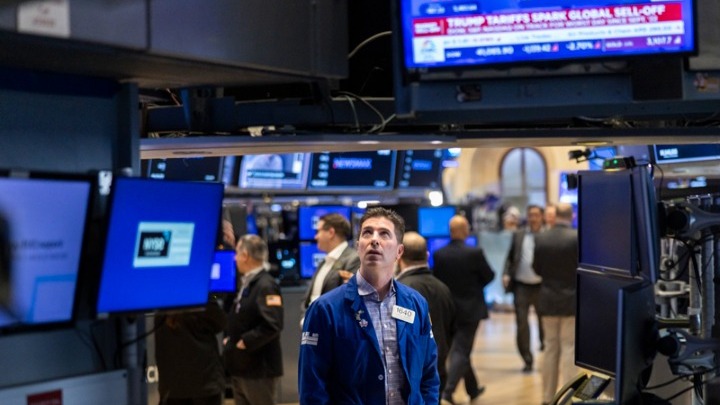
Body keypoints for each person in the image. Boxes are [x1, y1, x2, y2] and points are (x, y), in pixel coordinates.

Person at [299, 207, 439, 404]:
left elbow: (429, 373)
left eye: (384, 234)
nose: (374, 239)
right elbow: (312, 387)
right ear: (358, 247)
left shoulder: (416, 304)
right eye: (367, 232)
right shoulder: (325, 309)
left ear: (399, 251)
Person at [433, 215, 495, 405]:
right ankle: (448, 392)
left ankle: (472, 389)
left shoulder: (439, 254)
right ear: (463, 230)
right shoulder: (474, 252)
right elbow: (489, 276)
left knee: (461, 349)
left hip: (449, 310)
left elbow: (438, 280)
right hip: (471, 309)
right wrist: (475, 287)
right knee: (461, 350)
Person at [224, 235, 284, 405]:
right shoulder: (248, 282)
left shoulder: (266, 285)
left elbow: (273, 324)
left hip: (259, 369)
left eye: (237, 253)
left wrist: (245, 341)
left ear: (245, 256)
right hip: (242, 366)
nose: (234, 258)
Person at [396, 231, 456, 395]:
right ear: (427, 255)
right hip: (438, 371)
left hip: (409, 378)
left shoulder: (399, 290)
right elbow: (451, 329)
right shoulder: (443, 288)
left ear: (398, 255)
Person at [533, 203, 579, 405]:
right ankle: (567, 397)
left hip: (547, 299)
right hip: (571, 299)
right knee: (569, 348)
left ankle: (547, 397)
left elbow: (537, 268)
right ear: (572, 215)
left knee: (550, 348)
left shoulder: (541, 238)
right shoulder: (576, 237)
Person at [154, 299, 227, 405]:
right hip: (203, 383)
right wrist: (213, 298)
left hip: (171, 386)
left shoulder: (161, 301)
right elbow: (221, 322)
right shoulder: (199, 299)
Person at [502, 204, 545, 373]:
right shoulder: (519, 235)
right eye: (530, 215)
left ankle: (544, 345)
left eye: (536, 215)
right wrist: (506, 274)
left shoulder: (546, 235)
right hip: (521, 285)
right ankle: (527, 359)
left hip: (541, 285)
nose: (533, 218)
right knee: (521, 323)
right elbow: (510, 257)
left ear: (541, 217)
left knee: (544, 321)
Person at [301, 213, 360, 315]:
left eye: (318, 231)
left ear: (331, 232)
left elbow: (346, 300)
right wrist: (304, 318)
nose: (315, 237)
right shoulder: (324, 262)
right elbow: (308, 299)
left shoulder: (354, 259)